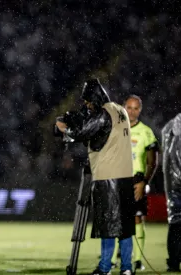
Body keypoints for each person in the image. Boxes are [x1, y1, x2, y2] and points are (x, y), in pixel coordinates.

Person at [55, 79, 136, 275]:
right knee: (125, 227)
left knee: (107, 225)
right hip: (126, 177)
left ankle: (105, 267)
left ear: (96, 98)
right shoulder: (120, 110)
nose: (87, 105)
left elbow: (81, 131)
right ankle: (127, 268)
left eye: (89, 101)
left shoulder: (102, 114)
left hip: (108, 177)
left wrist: (62, 126)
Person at [110, 95, 159, 270]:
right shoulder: (115, 129)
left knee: (137, 218)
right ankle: (115, 258)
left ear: (140, 110)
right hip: (117, 178)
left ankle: (137, 260)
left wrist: (144, 181)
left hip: (136, 180)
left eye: (135, 108)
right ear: (124, 107)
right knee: (116, 220)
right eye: (129, 108)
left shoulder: (146, 132)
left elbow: (152, 162)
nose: (132, 111)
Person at [162, 113, 181, 272]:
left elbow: (167, 160)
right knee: (175, 224)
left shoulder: (170, 126)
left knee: (175, 223)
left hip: (173, 183)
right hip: (175, 182)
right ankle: (174, 260)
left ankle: (174, 261)